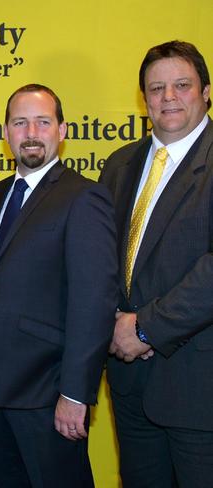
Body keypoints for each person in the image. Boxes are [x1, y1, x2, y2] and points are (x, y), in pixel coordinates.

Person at [0, 84, 118, 488]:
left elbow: (94, 303)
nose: (31, 132)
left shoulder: (85, 197)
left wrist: (76, 394)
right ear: (5, 133)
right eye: (20, 123)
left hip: (49, 395)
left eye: (42, 121)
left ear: (62, 130)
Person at [101, 40, 213, 488]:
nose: (168, 97)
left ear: (206, 92)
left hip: (197, 384)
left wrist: (145, 328)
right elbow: (99, 259)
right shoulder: (119, 164)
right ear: (143, 98)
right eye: (156, 88)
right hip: (128, 384)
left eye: (181, 85)